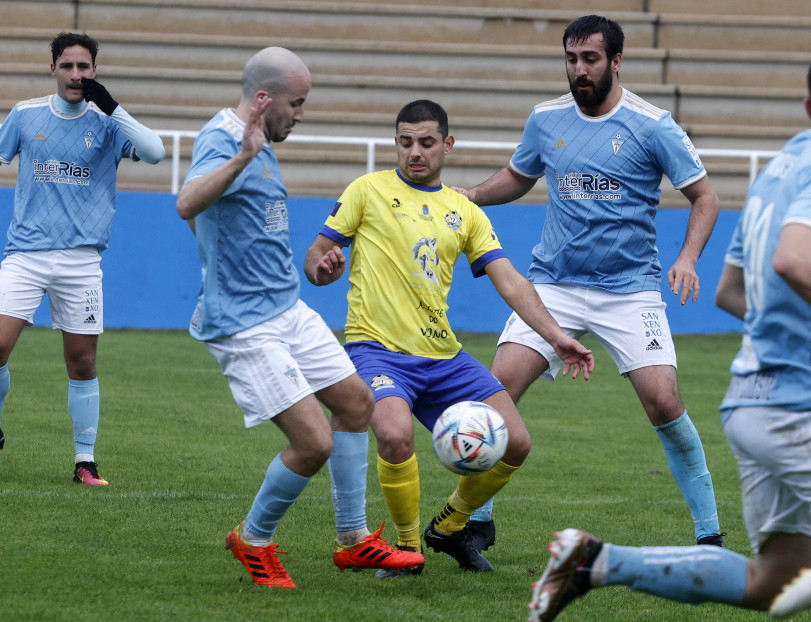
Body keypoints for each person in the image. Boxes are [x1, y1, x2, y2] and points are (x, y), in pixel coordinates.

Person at [526, 44, 811, 622]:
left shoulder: (780, 170)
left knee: (773, 581)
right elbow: (796, 261)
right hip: (806, 410)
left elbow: (731, 291)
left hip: (751, 406)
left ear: (808, 106)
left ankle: (597, 563)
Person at [455, 14, 723, 546]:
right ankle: (474, 524)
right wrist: (473, 195)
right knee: (498, 389)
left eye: (591, 59)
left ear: (616, 61)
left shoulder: (653, 125)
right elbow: (519, 174)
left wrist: (688, 257)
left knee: (665, 403)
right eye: (572, 59)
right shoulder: (546, 119)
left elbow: (705, 197)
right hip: (554, 284)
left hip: (630, 288)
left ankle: (709, 538)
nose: (579, 69)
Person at [305, 99, 594, 576]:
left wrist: (556, 336)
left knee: (516, 442)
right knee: (395, 436)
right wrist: (324, 268)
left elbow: (511, 281)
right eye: (405, 142)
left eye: (425, 142)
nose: (414, 152)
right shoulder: (366, 190)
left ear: (447, 144)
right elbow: (317, 258)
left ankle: (451, 525)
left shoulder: (464, 210)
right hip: (376, 351)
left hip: (444, 357)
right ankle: (406, 551)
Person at [175, 47, 423, 589]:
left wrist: (320, 267)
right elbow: (188, 202)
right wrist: (240, 158)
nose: (302, 113)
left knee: (358, 403)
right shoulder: (224, 139)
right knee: (314, 442)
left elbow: (234, 226)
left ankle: (354, 540)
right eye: (298, 103)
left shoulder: (262, 140)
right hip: (243, 323)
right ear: (264, 100)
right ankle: (253, 539)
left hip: (287, 307)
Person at [0, 32, 165, 485]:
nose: (76, 75)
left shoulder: (109, 123)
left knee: (82, 362)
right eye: (68, 66)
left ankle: (85, 462)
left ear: (95, 71)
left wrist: (114, 108)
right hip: (25, 254)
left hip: (81, 261)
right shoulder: (26, 114)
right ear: (52, 69)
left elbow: (155, 152)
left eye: (84, 67)